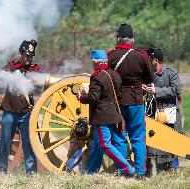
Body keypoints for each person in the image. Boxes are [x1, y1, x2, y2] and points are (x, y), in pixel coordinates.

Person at [108, 23, 154, 179]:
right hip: (136, 100)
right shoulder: (141, 55)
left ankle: (124, 171)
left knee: (120, 136)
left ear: (119, 38)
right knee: (138, 137)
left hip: (118, 101)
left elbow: (106, 77)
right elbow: (149, 78)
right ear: (132, 39)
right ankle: (140, 172)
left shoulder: (111, 56)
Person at [78, 49, 134, 176]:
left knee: (105, 145)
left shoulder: (97, 76)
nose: (92, 64)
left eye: (93, 62)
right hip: (113, 115)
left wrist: (81, 97)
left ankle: (127, 169)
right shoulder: (115, 74)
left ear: (96, 63)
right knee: (97, 146)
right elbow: (118, 95)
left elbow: (93, 97)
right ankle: (90, 173)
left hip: (101, 117)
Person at [0, 39, 40, 175]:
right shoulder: (11, 65)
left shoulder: (34, 69)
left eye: (31, 56)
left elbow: (38, 81)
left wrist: (28, 80)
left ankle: (31, 173)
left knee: (29, 144)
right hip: (9, 110)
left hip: (26, 112)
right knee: (5, 142)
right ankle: (1, 171)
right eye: (26, 55)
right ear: (20, 54)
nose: (28, 58)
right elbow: (1, 75)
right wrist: (12, 76)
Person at [143, 47, 182, 176]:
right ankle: (160, 175)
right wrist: (144, 88)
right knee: (157, 148)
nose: (149, 63)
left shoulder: (172, 73)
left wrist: (157, 91)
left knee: (172, 146)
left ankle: (173, 173)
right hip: (154, 116)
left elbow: (176, 91)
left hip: (169, 116)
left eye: (150, 60)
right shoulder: (149, 75)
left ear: (156, 60)